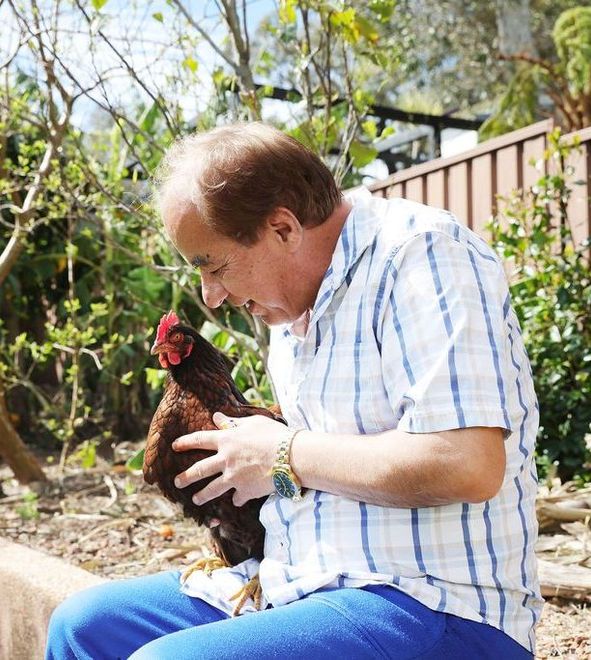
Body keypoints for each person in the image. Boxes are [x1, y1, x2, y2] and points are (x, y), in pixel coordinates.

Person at [46, 122, 542, 659]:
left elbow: (466, 463)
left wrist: (281, 454)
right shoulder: (292, 315)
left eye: (213, 266)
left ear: (282, 228)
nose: (210, 297)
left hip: (433, 605)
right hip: (298, 583)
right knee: (82, 626)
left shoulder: (421, 255)